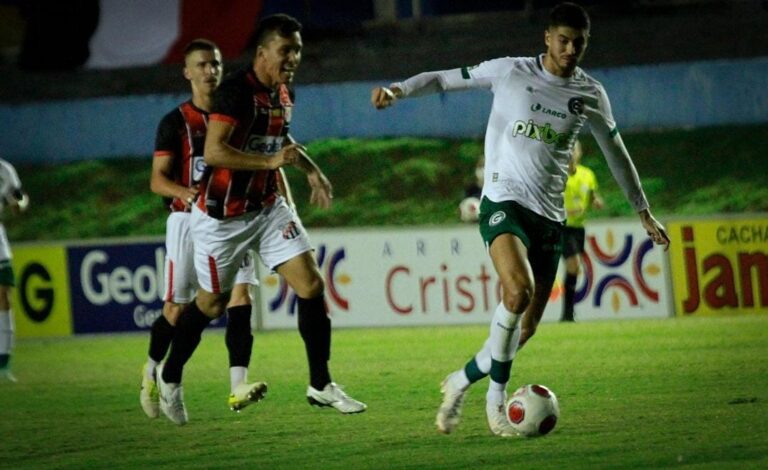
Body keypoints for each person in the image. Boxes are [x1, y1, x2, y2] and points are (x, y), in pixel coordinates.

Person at [371, 2, 669, 437]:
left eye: (579, 43)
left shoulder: (590, 93)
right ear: (547, 38)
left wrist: (643, 209)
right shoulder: (510, 71)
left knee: (525, 327)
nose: (570, 50)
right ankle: (495, 400)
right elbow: (443, 78)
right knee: (517, 291)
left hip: (550, 216)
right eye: (563, 40)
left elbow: (615, 152)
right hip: (503, 200)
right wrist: (398, 90)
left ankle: (460, 381)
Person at [156, 14, 366, 425]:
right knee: (211, 304)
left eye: (298, 50)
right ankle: (170, 374)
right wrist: (270, 162)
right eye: (286, 50)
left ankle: (320, 384)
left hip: (266, 208)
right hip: (221, 218)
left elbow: (279, 138)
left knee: (311, 284)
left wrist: (311, 170)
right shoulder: (235, 92)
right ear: (262, 53)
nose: (294, 58)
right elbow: (214, 151)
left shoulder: (283, 93)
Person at [140, 39, 275, 419]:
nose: (210, 71)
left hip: (231, 217)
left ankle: (237, 386)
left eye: (215, 63)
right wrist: (184, 192)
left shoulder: (236, 113)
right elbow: (157, 180)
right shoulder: (176, 122)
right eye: (201, 64)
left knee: (241, 296)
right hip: (187, 221)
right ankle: (154, 373)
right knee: (176, 308)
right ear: (187, 72)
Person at [561, 139, 603, 322]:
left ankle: (568, 314)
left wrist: (596, 201)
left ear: (580, 152)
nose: (571, 152)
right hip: (562, 227)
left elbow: (593, 195)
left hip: (579, 227)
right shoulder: (557, 175)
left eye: (574, 148)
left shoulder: (588, 174)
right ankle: (567, 313)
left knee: (575, 268)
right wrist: (566, 211)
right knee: (574, 264)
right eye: (568, 148)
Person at [0, 158, 29, 383]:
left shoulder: (5, 170)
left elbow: (19, 200)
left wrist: (18, 204)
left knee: (3, 295)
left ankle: (3, 361)